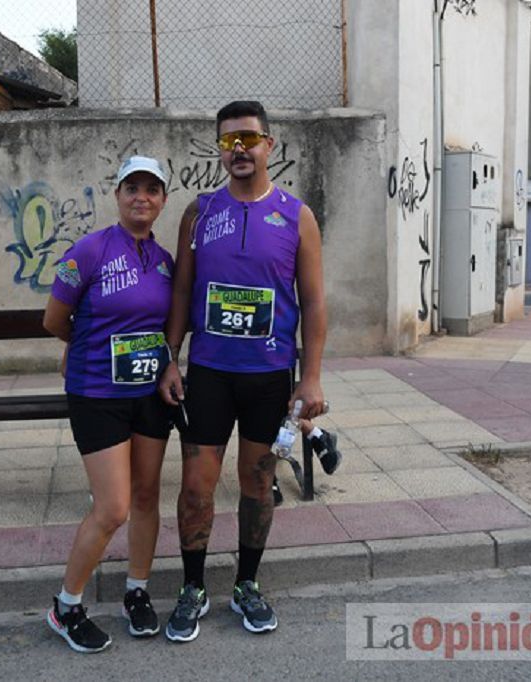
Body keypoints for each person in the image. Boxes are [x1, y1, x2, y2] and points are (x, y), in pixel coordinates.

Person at [158, 100, 328, 641]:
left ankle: (246, 585)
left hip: (269, 376)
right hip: (209, 373)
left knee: (258, 484)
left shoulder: (296, 215)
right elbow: (182, 290)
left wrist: (312, 377)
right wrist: (171, 357)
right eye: (229, 141)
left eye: (248, 139)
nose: (239, 150)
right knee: (195, 488)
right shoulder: (199, 212)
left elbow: (315, 302)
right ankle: (193, 588)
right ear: (220, 148)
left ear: (268, 146)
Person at [43, 156, 175, 654]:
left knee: (145, 498)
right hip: (97, 393)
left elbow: (167, 326)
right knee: (113, 507)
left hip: (148, 392)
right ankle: (66, 606)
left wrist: (168, 364)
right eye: (132, 188)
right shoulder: (89, 250)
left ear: (162, 200)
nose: (142, 197)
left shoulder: (164, 261)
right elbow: (55, 319)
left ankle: (136, 592)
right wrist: (82, 347)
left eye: (152, 189)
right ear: (117, 195)